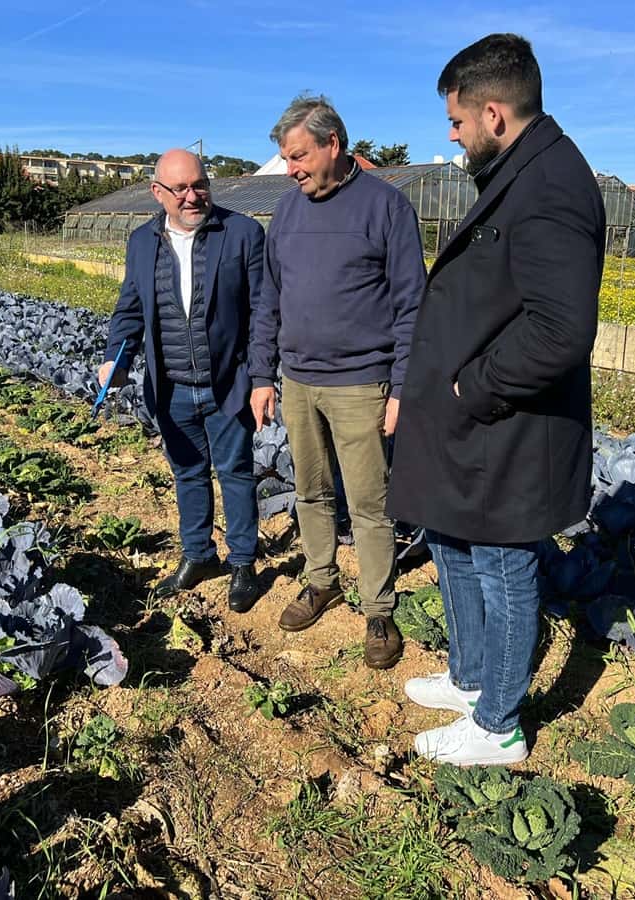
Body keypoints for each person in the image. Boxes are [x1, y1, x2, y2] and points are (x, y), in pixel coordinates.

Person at [388, 34, 606, 764]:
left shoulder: (550, 187)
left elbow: (561, 329)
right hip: (471, 425)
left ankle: (499, 724)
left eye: (455, 122)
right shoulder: (523, 171)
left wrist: (471, 385)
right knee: (450, 538)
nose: (451, 135)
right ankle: (473, 675)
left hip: (509, 424)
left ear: (493, 113)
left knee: (504, 562)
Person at [249, 94, 426, 670]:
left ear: (333, 144)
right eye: (285, 159)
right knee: (310, 491)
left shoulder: (385, 207)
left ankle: (378, 608)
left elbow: (411, 304)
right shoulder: (288, 210)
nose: (292, 168)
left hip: (361, 384)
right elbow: (269, 298)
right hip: (299, 380)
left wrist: (401, 386)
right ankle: (320, 579)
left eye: (299, 156)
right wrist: (262, 374)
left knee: (371, 504)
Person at [99, 149, 265, 613]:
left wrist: (261, 376)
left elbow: (263, 312)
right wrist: (116, 358)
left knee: (235, 472)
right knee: (187, 472)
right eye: (181, 189)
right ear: (158, 193)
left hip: (227, 382)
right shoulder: (141, 242)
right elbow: (129, 309)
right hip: (170, 386)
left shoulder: (242, 234)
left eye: (199, 185)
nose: (193, 196)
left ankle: (244, 563)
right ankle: (198, 555)